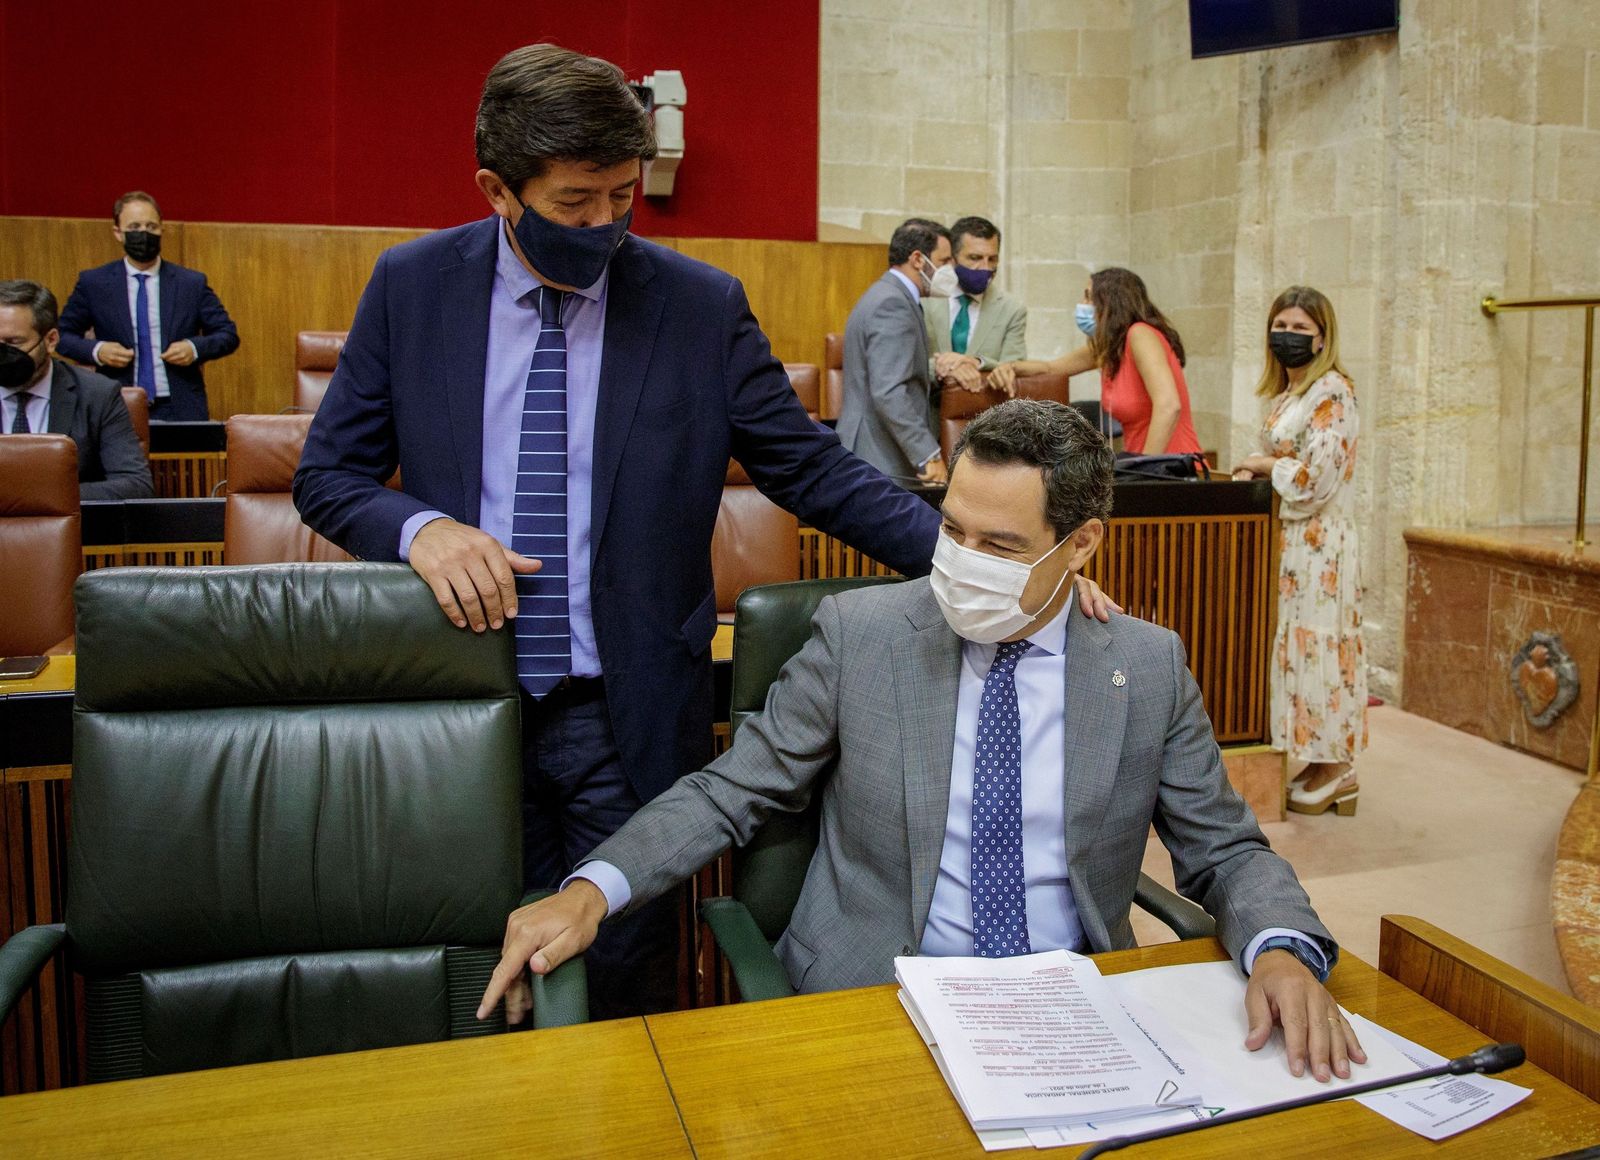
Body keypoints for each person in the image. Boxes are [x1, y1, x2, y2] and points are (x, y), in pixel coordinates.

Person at [292, 45, 955, 1021]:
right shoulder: (412, 287)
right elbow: (326, 476)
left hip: (632, 708)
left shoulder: (697, 305)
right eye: (574, 202)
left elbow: (808, 470)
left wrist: (978, 562)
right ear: (495, 189)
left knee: (621, 987)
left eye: (622, 194)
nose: (604, 222)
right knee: (477, 981)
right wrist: (420, 527)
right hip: (467, 702)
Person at [481, 399, 1366, 1085]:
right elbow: (731, 789)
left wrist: (1283, 945)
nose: (963, 561)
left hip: (1068, 1009)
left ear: (1082, 545)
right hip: (880, 997)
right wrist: (593, 890)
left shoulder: (1146, 665)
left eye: (1001, 544)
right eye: (953, 530)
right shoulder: (859, 635)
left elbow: (1225, 848)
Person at [1232, 287, 1366, 816]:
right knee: (1296, 649)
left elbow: (1317, 481)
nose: (1287, 334)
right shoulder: (1290, 394)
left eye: (1300, 327)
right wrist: (1251, 465)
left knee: (1321, 646)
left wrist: (1264, 467)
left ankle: (1339, 767)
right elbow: (1275, 452)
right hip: (1290, 545)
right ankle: (1315, 757)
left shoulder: (1333, 392)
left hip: (1320, 546)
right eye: (1280, 323)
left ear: (1322, 337)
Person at [57, 191, 240, 420]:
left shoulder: (190, 283)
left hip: (179, 405)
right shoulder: (94, 283)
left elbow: (228, 334)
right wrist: (98, 350)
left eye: (151, 226)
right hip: (116, 402)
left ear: (162, 229)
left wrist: (194, 348)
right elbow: (62, 336)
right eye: (134, 227)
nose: (144, 233)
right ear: (118, 233)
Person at [992, 267, 1202, 456]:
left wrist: (1144, 468)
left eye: (1088, 297)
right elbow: (1051, 368)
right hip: (1143, 466)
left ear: (1110, 302)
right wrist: (1008, 367)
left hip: (1170, 467)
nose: (1082, 305)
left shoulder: (1140, 335)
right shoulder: (1109, 348)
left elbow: (1169, 405)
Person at [0, 280, 153, 499]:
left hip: (75, 529)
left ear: (51, 340)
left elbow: (136, 485)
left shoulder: (98, 394)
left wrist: (45, 497)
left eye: (13, 342)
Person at [837, 218, 953, 486]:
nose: (950, 270)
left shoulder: (887, 294)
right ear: (918, 259)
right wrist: (929, 455)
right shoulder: (893, 304)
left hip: (876, 455)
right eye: (945, 261)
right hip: (878, 459)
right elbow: (889, 391)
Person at [922, 215, 1027, 395]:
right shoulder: (925, 300)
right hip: (927, 413)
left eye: (992, 259)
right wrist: (943, 367)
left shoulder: (1012, 309)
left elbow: (1013, 367)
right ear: (952, 258)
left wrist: (975, 362)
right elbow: (903, 363)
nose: (985, 267)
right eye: (974, 257)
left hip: (982, 413)